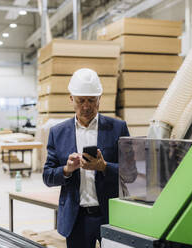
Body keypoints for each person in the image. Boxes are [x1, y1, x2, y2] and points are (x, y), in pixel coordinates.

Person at [42, 68, 130, 248]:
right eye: (81, 100)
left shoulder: (117, 128)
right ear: (71, 99)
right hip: (76, 219)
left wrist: (104, 167)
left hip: (111, 216)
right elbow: (47, 176)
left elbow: (132, 174)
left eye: (91, 100)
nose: (86, 106)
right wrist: (66, 170)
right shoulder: (58, 133)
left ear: (99, 99)